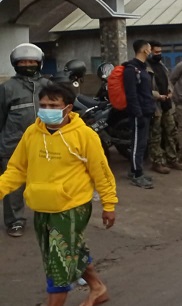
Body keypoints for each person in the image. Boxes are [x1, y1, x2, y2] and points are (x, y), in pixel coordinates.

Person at [0, 83, 117, 306]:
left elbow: (102, 173)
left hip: (71, 208)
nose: (46, 109)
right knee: (72, 251)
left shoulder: (84, 136)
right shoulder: (32, 133)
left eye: (53, 105)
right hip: (41, 207)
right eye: (43, 105)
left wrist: (109, 204)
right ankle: (97, 288)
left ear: (68, 108)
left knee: (58, 265)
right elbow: (16, 169)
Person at [0, 43, 50, 237]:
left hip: (43, 142)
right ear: (15, 64)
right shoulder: (7, 88)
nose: (27, 64)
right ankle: (15, 221)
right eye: (23, 61)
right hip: (13, 143)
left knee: (45, 182)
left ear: (39, 63)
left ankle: (47, 217)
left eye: (31, 61)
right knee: (14, 185)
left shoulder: (47, 86)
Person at [147, 41, 182, 174]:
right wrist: (157, 96)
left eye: (160, 52)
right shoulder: (145, 68)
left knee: (171, 132)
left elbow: (169, 81)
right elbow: (144, 89)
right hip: (155, 106)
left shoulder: (161, 66)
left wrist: (170, 91)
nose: (159, 54)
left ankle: (172, 159)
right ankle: (157, 162)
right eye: (156, 52)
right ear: (149, 51)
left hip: (167, 105)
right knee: (156, 135)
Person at [124, 40, 156, 189]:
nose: (151, 51)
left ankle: (135, 171)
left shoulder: (142, 68)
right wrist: (137, 113)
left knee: (142, 143)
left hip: (146, 111)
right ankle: (137, 175)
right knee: (137, 143)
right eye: (149, 49)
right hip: (139, 113)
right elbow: (131, 94)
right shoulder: (131, 69)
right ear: (144, 50)